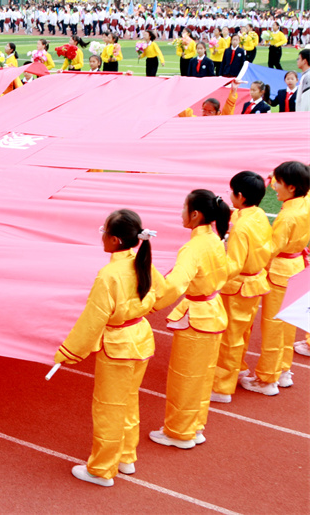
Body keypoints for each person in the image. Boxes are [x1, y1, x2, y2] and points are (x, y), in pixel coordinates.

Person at [55, 210, 163, 487]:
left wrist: (68, 352)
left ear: (114, 240)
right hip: (140, 337)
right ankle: (126, 456)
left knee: (108, 408)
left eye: (103, 231)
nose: (101, 235)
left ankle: (102, 469)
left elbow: (93, 319)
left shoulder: (109, 275)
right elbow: (163, 292)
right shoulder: (143, 262)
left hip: (118, 346)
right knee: (128, 401)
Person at [150, 190, 230, 449]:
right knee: (203, 376)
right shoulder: (215, 239)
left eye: (183, 208)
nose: (181, 213)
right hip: (212, 310)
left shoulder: (193, 247)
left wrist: (150, 305)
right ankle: (194, 426)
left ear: (195, 214)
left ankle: (178, 431)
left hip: (197, 316)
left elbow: (174, 286)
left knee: (185, 377)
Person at [240, 161, 310, 395]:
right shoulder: (304, 201)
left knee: (272, 327)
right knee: (287, 326)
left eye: (277, 182)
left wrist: (250, 247)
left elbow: (271, 247)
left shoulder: (288, 216)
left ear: (291, 187)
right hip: (296, 266)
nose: (273, 187)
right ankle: (282, 370)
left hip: (280, 271)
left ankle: (266, 379)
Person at [210, 173, 273, 403]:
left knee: (229, 337)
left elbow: (233, 265)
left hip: (238, 286)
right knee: (242, 332)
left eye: (232, 192)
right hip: (254, 282)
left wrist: (212, 273)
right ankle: (238, 368)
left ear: (240, 195)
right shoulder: (258, 214)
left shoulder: (240, 228)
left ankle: (222, 386)